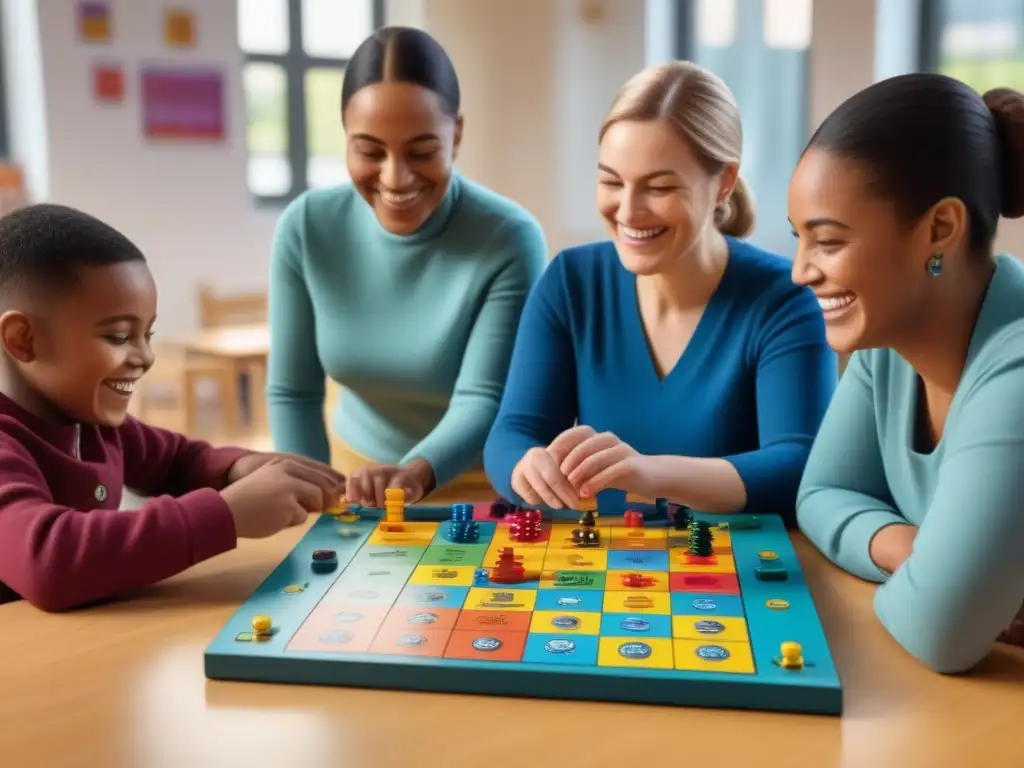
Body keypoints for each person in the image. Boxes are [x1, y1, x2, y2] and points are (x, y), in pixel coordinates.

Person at [483, 61, 835, 520]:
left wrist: (649, 474)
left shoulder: (785, 302)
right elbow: (513, 432)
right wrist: (525, 466)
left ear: (724, 182)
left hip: (724, 574)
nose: (628, 211)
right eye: (611, 181)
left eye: (659, 187)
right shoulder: (570, 282)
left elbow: (798, 465)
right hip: (595, 568)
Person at [0, 204, 344, 612]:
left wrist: (238, 469)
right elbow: (50, 560)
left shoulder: (92, 422)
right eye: (117, 336)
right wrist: (226, 514)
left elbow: (178, 461)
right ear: (23, 340)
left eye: (147, 334)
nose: (145, 356)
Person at [790, 73, 1024, 672]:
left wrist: (948, 589)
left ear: (940, 229)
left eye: (828, 242)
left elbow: (940, 630)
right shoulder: (888, 344)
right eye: (799, 241)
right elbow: (820, 496)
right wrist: (915, 552)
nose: (800, 272)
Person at [267, 27, 547, 507]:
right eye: (370, 151)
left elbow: (483, 398)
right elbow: (293, 392)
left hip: (477, 489)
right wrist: (312, 502)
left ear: (456, 134)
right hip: (357, 481)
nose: (395, 178)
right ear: (345, 134)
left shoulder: (509, 238)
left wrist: (415, 473)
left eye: (421, 151)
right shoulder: (307, 227)